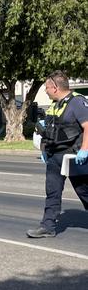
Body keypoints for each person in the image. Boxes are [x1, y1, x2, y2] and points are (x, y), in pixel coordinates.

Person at [27, 70, 88, 238]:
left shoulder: (77, 102)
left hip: (73, 157)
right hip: (55, 156)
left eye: (47, 87)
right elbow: (49, 130)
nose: (45, 90)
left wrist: (85, 150)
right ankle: (48, 226)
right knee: (52, 192)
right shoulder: (55, 104)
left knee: (84, 191)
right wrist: (44, 149)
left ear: (55, 87)